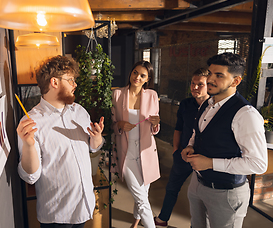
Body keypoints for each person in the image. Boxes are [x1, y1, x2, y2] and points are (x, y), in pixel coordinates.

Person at [16, 55, 105, 228]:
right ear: (54, 82)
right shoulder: (31, 122)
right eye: (71, 80)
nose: (75, 84)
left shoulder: (80, 111)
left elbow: (93, 148)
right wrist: (28, 146)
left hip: (84, 206)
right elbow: (30, 176)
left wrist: (96, 138)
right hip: (57, 215)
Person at [181, 52, 268, 228]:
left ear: (236, 81)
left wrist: (210, 163)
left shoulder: (246, 115)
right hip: (197, 184)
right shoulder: (207, 102)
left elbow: (258, 164)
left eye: (219, 75)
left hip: (226, 193)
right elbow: (197, 131)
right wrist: (190, 145)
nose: (210, 79)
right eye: (210, 73)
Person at [154, 68, 210, 227]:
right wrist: (176, 150)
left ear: (209, 85)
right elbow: (178, 128)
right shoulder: (185, 104)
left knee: (203, 195)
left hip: (205, 159)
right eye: (193, 83)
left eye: (200, 84)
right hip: (183, 155)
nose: (195, 87)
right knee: (172, 188)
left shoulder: (214, 107)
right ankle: (162, 219)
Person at [111, 61, 160, 228]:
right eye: (135, 73)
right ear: (130, 73)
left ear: (148, 79)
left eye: (142, 75)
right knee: (141, 197)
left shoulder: (152, 96)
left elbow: (155, 129)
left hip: (147, 152)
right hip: (127, 152)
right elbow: (112, 123)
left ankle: (136, 222)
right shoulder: (117, 94)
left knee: (143, 193)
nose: (137, 77)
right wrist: (119, 125)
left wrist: (156, 123)